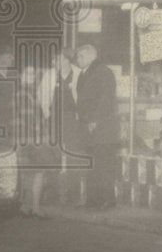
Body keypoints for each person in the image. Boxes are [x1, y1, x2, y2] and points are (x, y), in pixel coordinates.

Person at [74, 44, 119, 210]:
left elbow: (106, 99)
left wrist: (94, 120)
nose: (78, 60)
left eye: (81, 56)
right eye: (78, 57)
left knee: (104, 164)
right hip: (89, 127)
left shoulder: (103, 72)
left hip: (101, 127)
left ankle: (107, 200)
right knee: (92, 164)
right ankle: (93, 200)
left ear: (92, 56)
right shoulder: (84, 73)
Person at [39, 48, 83, 206]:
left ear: (67, 60)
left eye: (58, 59)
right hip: (54, 119)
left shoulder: (79, 73)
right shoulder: (50, 75)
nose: (55, 62)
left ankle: (73, 196)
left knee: (74, 156)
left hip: (73, 120)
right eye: (54, 60)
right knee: (52, 156)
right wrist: (47, 115)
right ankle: (52, 194)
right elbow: (42, 96)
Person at [16, 64, 59, 218]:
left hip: (30, 138)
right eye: (28, 74)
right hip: (30, 139)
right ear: (20, 75)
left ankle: (29, 206)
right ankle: (32, 207)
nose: (32, 76)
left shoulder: (30, 93)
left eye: (33, 74)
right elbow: (27, 119)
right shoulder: (22, 93)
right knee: (36, 172)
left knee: (33, 172)